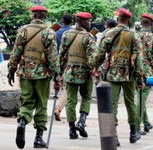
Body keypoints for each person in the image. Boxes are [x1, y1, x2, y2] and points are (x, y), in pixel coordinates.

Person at [7, 6, 60, 149]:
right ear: (45, 16)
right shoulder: (49, 33)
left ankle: (22, 121)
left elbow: (15, 53)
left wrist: (11, 70)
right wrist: (57, 76)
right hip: (42, 74)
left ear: (33, 15)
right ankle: (38, 138)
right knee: (42, 104)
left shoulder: (23, 30)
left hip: (25, 72)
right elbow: (53, 57)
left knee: (26, 101)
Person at [89, 8, 144, 146]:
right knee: (130, 102)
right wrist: (140, 76)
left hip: (112, 73)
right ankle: (133, 133)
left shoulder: (109, 32)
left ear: (118, 18)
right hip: (129, 75)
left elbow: (100, 54)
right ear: (128, 20)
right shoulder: (134, 35)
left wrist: (93, 66)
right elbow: (138, 58)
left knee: (112, 104)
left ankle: (114, 136)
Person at [59, 12, 96, 140]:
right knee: (86, 98)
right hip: (85, 73)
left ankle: (71, 130)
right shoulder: (89, 37)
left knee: (71, 101)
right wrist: (95, 73)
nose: (90, 23)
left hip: (70, 72)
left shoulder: (66, 35)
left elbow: (61, 55)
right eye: (89, 21)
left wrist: (59, 73)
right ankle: (81, 122)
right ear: (83, 22)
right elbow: (93, 58)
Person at [54, 13, 73, 121]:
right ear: (72, 21)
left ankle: (59, 106)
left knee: (60, 85)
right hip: (69, 63)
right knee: (66, 88)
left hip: (58, 61)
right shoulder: (73, 33)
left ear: (62, 20)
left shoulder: (57, 33)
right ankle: (58, 108)